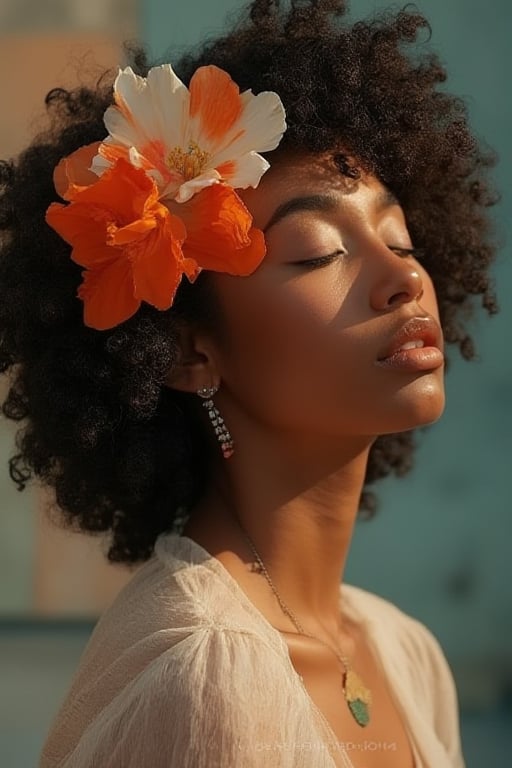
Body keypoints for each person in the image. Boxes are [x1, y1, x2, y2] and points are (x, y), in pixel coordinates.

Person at [0, 1, 499, 766]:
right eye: (317, 250)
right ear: (188, 353)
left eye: (399, 236)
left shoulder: (405, 653)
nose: (404, 276)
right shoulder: (204, 675)